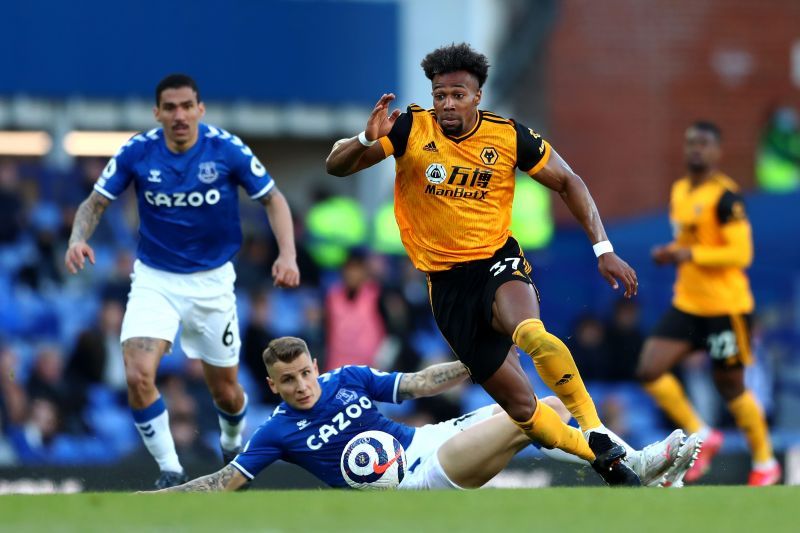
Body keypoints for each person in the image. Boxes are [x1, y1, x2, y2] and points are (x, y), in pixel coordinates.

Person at [325, 43, 640, 484]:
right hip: (445, 284)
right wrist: (365, 138)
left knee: (529, 331)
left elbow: (569, 181)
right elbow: (336, 168)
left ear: (477, 97)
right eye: (440, 95)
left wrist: (603, 250)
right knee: (523, 409)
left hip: (496, 260)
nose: (447, 104)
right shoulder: (410, 128)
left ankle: (595, 426)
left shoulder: (508, 136)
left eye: (457, 94)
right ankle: (602, 460)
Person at [64, 74, 300, 489]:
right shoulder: (137, 151)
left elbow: (273, 198)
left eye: (186, 106)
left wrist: (287, 254)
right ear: (157, 113)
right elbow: (96, 201)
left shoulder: (226, 149)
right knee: (138, 374)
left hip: (212, 284)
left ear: (200, 109)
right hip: (155, 279)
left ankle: (231, 444)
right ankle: (170, 470)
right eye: (170, 108)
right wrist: (77, 238)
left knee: (226, 392)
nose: (179, 115)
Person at [149, 337, 700, 492]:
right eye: (287, 381)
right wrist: (152, 504)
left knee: (549, 405)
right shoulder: (276, 431)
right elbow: (225, 481)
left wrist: (472, 362)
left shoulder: (347, 379)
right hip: (416, 478)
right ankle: (633, 467)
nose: (301, 386)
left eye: (305, 374)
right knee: (522, 417)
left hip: (429, 440)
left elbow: (414, 384)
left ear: (316, 366)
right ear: (272, 385)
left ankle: (636, 471)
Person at [636, 121, 781, 486]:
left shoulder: (726, 197)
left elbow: (741, 252)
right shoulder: (680, 190)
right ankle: (702, 431)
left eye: (703, 144)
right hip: (688, 304)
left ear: (718, 152)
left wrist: (688, 252)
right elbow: (689, 240)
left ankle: (765, 461)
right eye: (690, 143)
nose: (695, 149)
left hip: (725, 307)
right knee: (650, 370)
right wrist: (672, 253)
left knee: (730, 386)